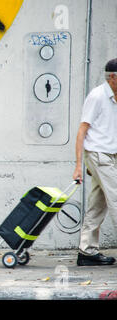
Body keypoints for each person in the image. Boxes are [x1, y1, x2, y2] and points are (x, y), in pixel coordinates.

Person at [72, 58, 117, 266]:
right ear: (113, 78)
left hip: (111, 155)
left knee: (98, 204)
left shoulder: (115, 98)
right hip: (98, 155)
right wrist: (79, 166)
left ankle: (87, 252)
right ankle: (87, 250)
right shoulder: (97, 96)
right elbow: (82, 131)